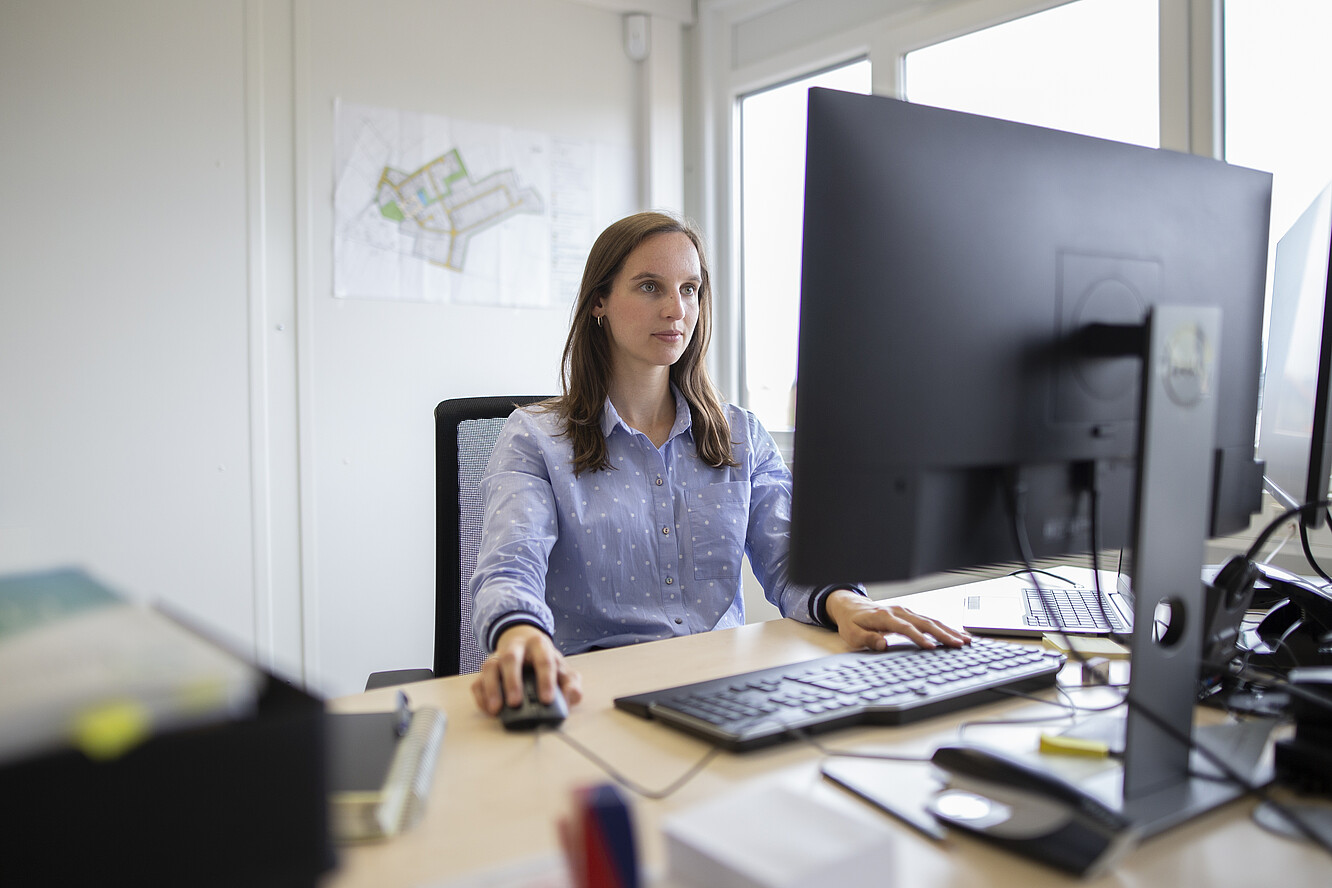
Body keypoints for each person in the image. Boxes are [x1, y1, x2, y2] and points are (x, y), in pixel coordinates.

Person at [470, 211, 969, 717]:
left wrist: (848, 603)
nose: (676, 309)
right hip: (597, 695)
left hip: (724, 693)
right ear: (599, 301)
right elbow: (511, 566)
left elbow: (788, 559)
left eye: (690, 289)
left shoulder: (741, 436)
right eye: (649, 287)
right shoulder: (536, 438)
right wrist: (519, 632)